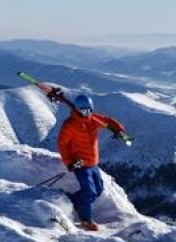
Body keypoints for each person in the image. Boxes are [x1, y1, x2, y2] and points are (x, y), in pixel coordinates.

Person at [54, 92, 126, 231]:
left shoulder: (94, 119)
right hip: (80, 164)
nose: (87, 113)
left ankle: (72, 200)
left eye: (89, 110)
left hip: (93, 163)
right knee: (89, 192)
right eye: (83, 110)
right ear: (77, 109)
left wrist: (119, 129)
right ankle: (85, 220)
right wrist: (70, 162)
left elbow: (107, 120)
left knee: (98, 190)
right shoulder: (70, 125)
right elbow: (62, 144)